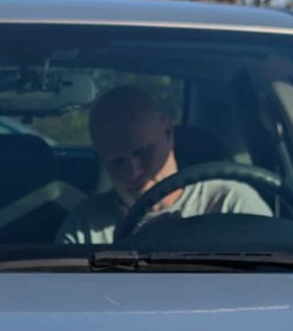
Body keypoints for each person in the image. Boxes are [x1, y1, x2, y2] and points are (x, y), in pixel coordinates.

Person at [56, 86, 271, 244]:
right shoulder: (85, 226)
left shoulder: (231, 206)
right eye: (117, 161)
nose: (133, 170)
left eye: (143, 152)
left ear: (168, 132)